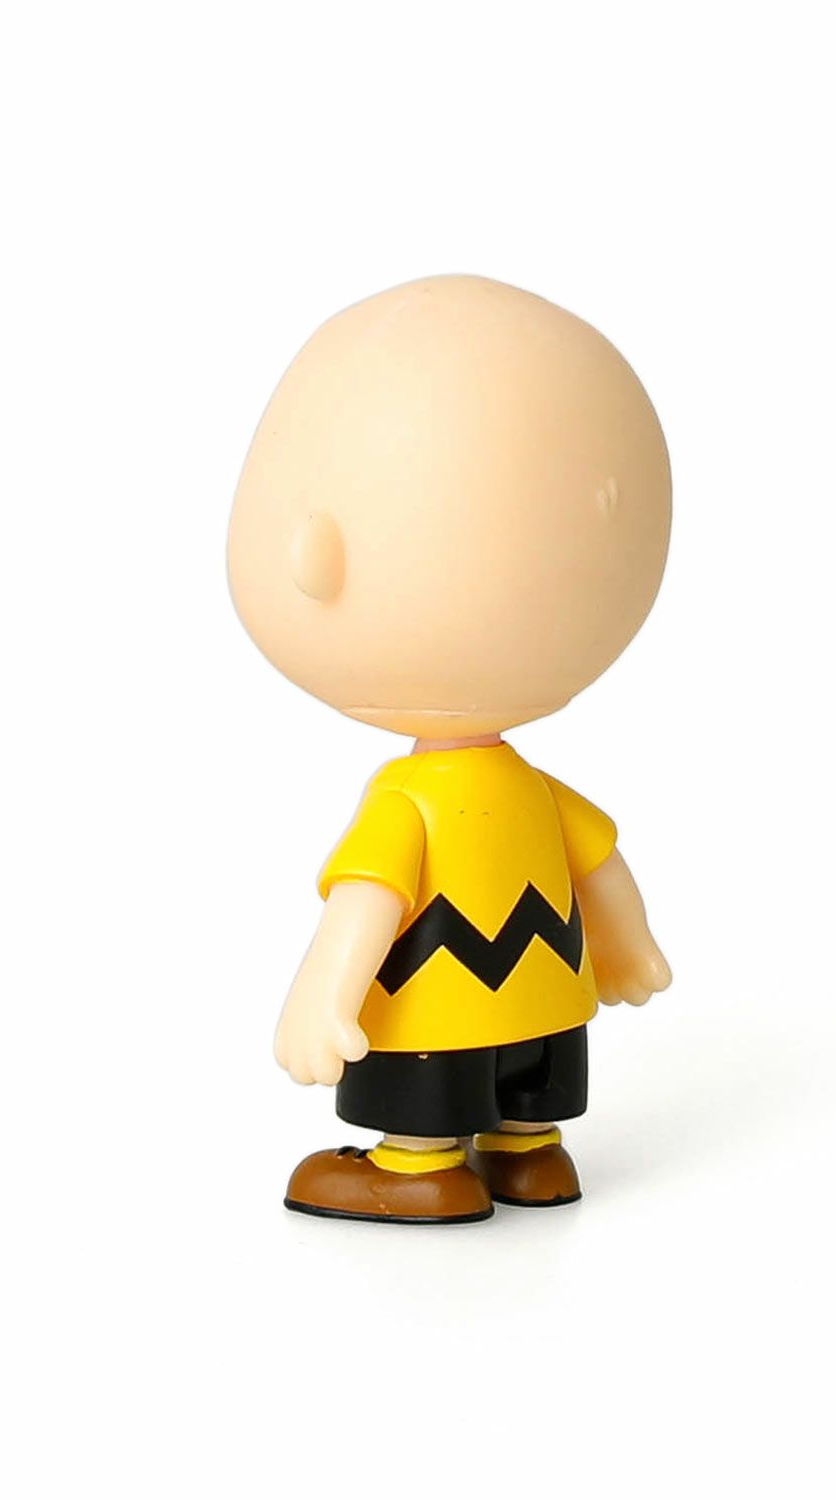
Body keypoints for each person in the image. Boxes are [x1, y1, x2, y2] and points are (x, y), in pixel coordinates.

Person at [228, 274, 673, 1223]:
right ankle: (530, 1153)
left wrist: (322, 997)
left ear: (316, 553)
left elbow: (370, 902)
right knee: (529, 1098)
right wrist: (628, 949)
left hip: (441, 1020)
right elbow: (602, 869)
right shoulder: (532, 789)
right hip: (547, 1013)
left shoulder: (409, 800)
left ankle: (420, 1166)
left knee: (423, 1088)